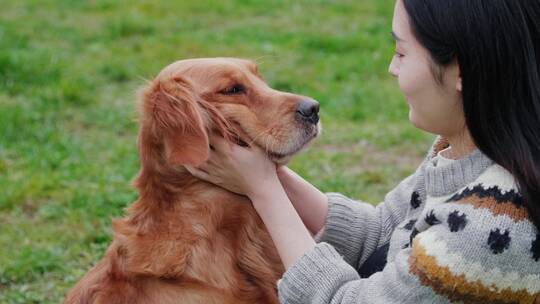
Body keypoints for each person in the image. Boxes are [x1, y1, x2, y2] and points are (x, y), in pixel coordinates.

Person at [186, 0, 540, 302]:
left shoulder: (492, 223)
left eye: (401, 52)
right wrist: (270, 174)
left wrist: (264, 192)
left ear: (459, 69)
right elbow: (384, 229)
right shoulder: (472, 149)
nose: (392, 67)